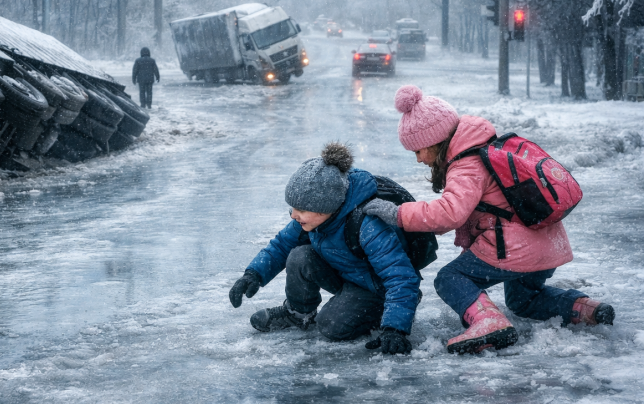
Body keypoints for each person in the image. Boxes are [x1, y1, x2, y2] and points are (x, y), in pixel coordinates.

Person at [363, 85, 615, 354]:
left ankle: (488, 321)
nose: (418, 159)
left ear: (435, 141)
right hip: (546, 242)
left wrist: (397, 214)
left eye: (419, 151)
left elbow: (449, 213)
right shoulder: (487, 147)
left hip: (514, 249)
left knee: (449, 278)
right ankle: (584, 309)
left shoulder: (467, 164)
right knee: (524, 301)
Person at [228, 142, 420, 354]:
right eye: (293, 207)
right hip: (347, 276)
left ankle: (383, 313)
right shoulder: (310, 220)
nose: (293, 215)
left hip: (376, 290)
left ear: (325, 206)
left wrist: (394, 327)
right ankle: (298, 314)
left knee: (331, 325)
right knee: (300, 256)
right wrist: (252, 274)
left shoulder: (368, 225)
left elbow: (400, 276)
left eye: (301, 209)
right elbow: (281, 245)